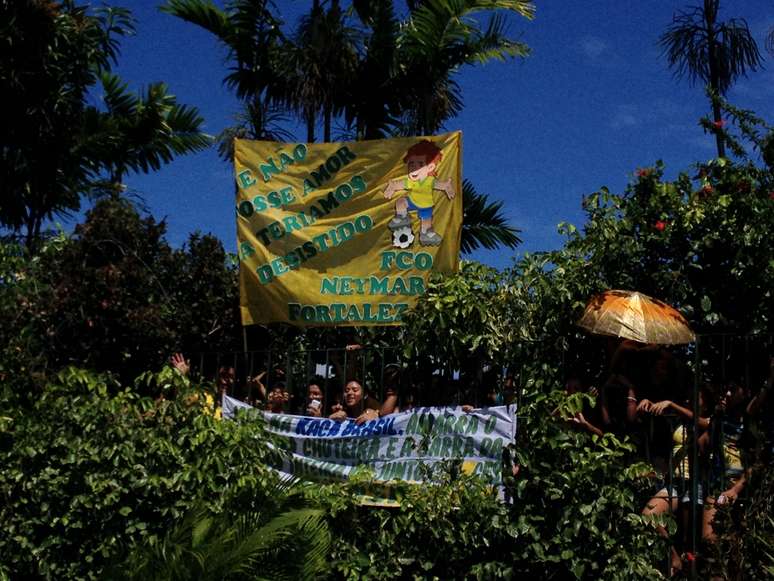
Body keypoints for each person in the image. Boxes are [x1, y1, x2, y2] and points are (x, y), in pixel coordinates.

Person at [383, 139, 455, 246]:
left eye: (420, 164)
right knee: (400, 202)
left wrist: (448, 188)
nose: (414, 167)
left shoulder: (429, 181)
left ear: (430, 167)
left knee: (426, 222)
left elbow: (442, 185)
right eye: (411, 164)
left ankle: (426, 234)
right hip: (412, 201)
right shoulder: (412, 182)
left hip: (426, 206)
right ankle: (402, 218)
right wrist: (391, 187)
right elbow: (400, 184)